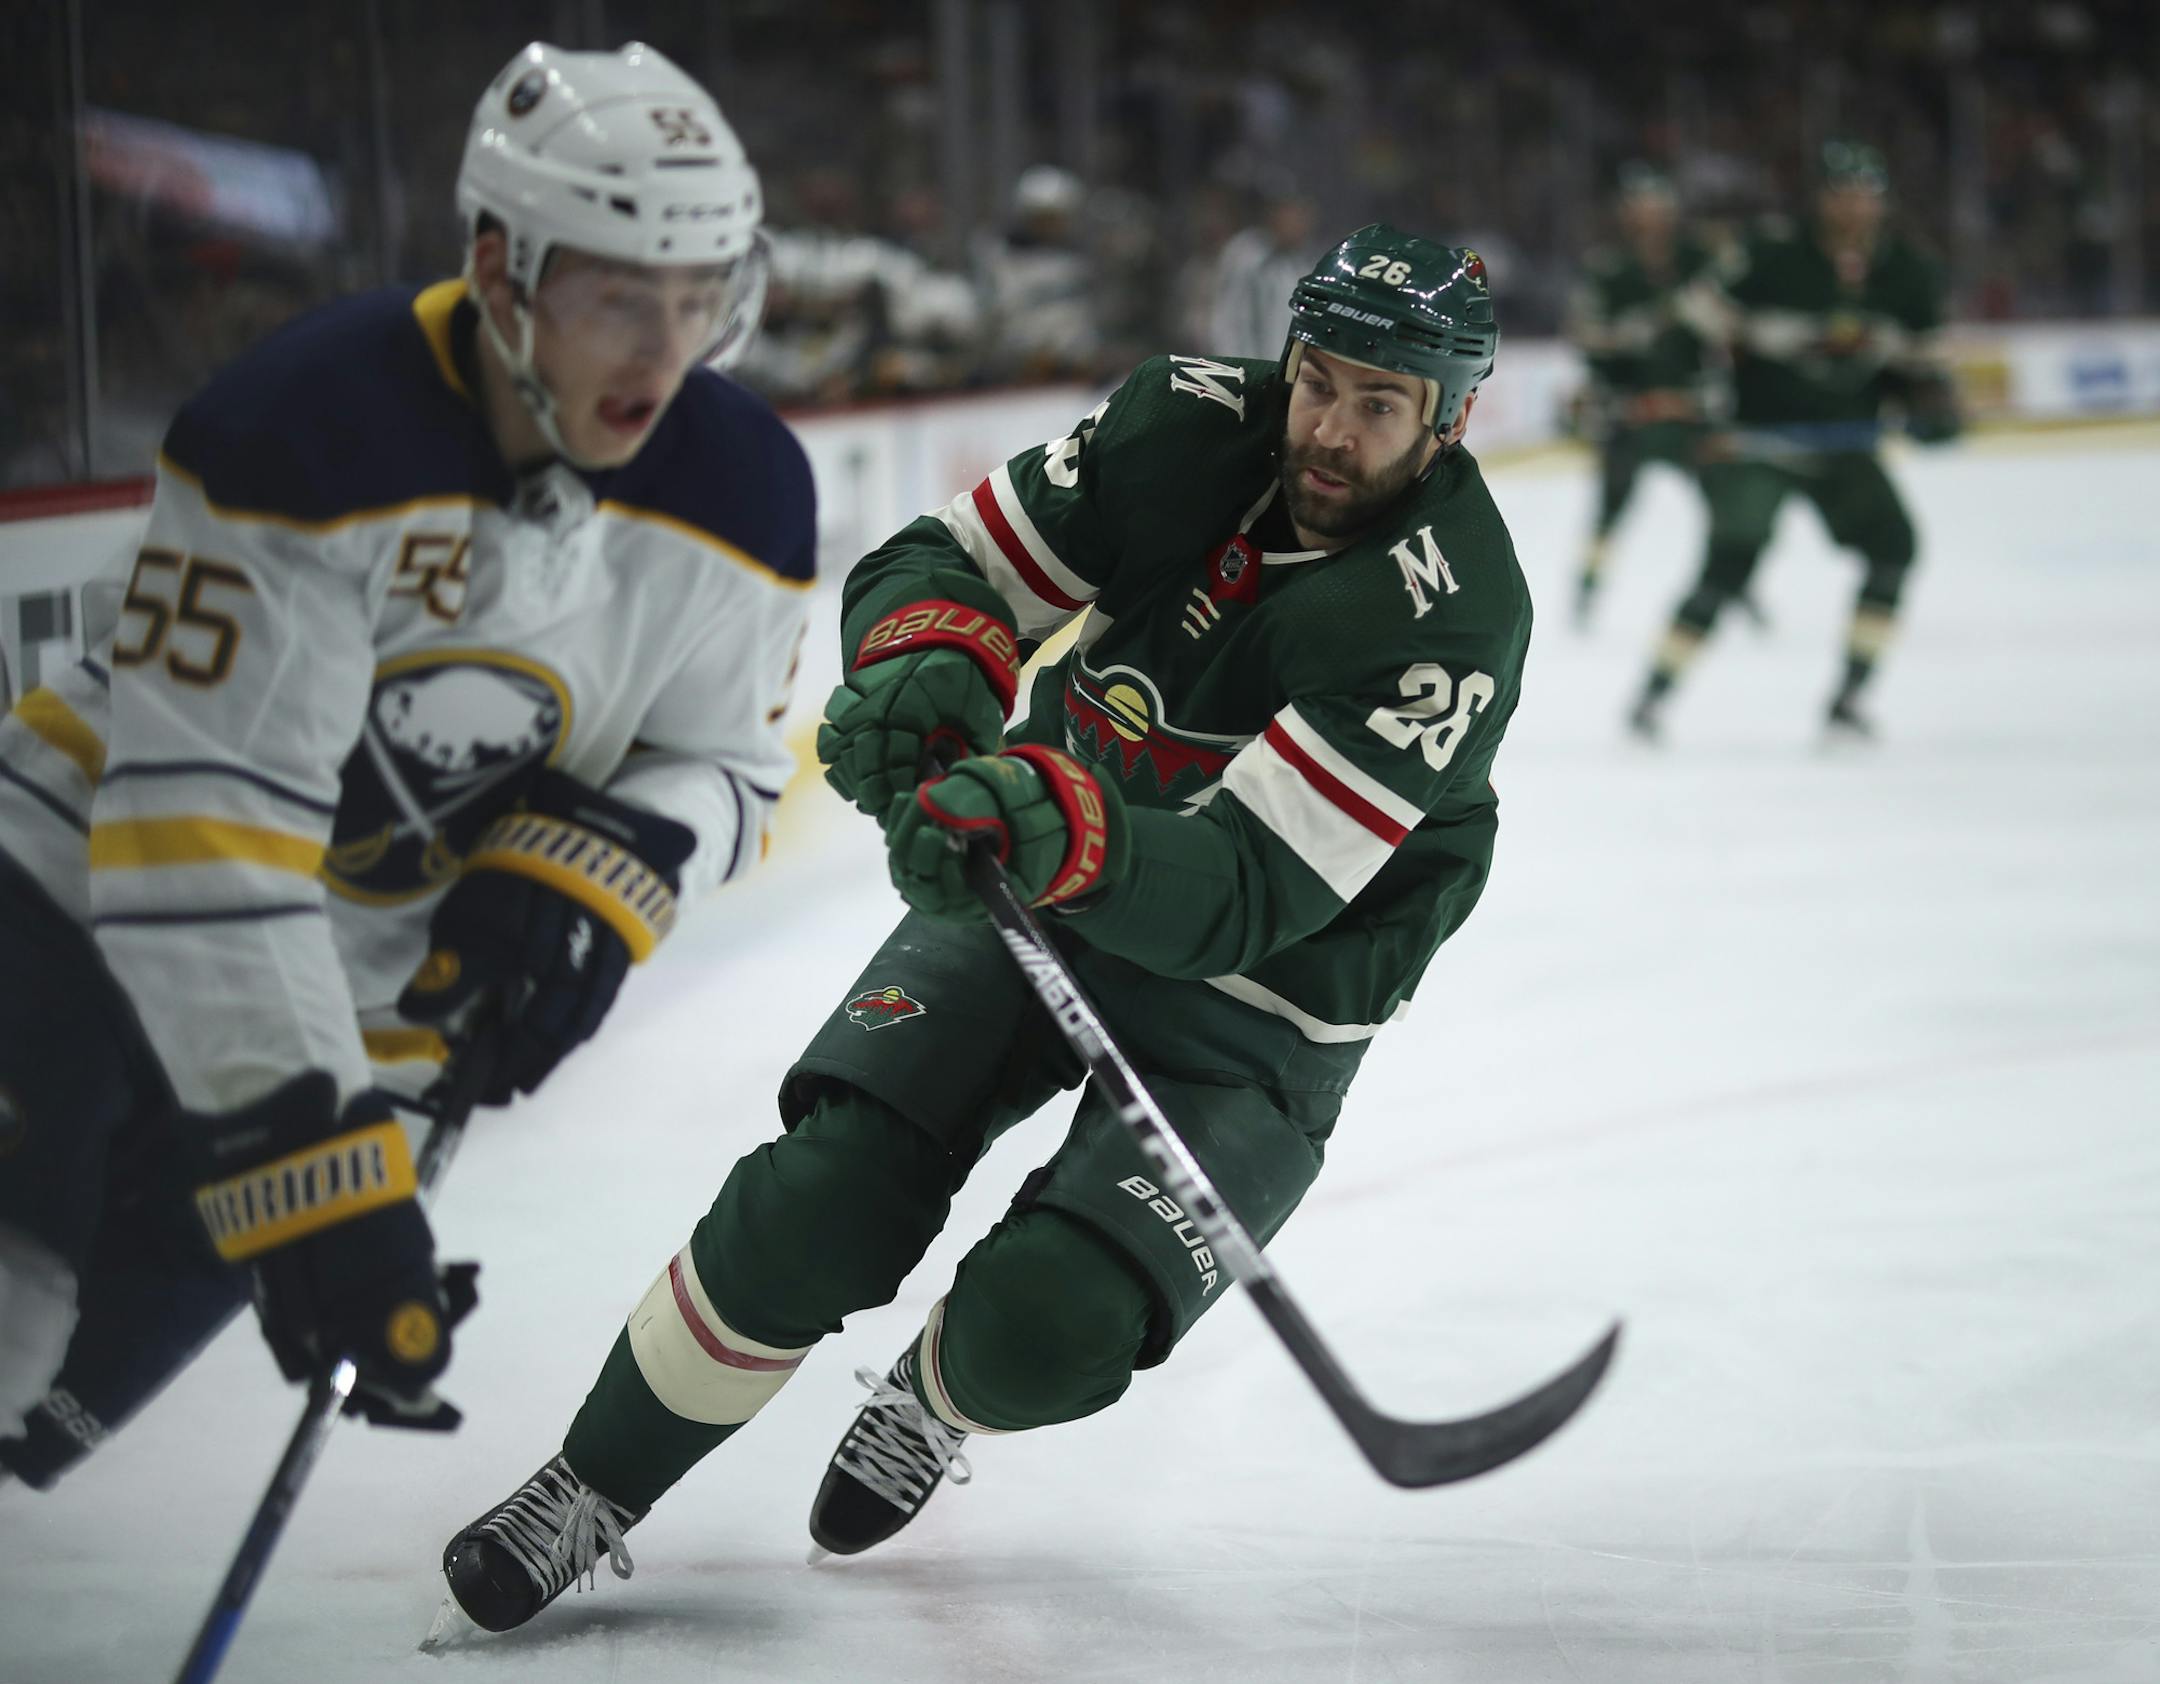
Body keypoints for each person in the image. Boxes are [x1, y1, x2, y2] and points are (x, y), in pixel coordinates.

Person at [436, 224, 1528, 1633]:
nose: (1329, 428)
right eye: (1319, 380)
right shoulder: (1187, 423)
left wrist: (1062, 826)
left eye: (1380, 405)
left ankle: (937, 1395)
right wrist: (931, 664)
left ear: (1450, 420)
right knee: (817, 1203)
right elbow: (944, 563)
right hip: (1052, 879)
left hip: (1269, 996)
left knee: (1050, 1325)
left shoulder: (1453, 609)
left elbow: (1252, 886)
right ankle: (592, 1480)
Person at [0, 41, 814, 1488]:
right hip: (66, 913)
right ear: (502, 273)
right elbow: (202, 835)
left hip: (331, 1019)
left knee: (43, 1430)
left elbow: (727, 764)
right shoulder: (308, 427)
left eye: (703, 298)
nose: (666, 351)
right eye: (620, 298)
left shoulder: (745, 487)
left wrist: (593, 871)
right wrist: (322, 1175)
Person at [1627, 142, 1959, 741]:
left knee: (1894, 547)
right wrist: (1692, 411)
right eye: (1842, 193)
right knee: (1730, 563)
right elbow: (1687, 330)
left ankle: (1850, 698)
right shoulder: (1767, 255)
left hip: (1845, 448)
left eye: (1866, 194)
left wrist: (1934, 408)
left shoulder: (1908, 272)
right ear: (1821, 198)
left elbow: (1922, 370)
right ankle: (1652, 696)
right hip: (1758, 444)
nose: (1855, 207)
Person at [1563, 164, 1727, 628]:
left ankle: (1733, 583)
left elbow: (1727, 330)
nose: (1648, 215)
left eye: (1656, 205)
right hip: (1629, 413)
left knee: (1727, 503)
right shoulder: (1607, 268)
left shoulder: (1699, 261)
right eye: (1640, 206)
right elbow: (1586, 335)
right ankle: (1587, 591)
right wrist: (1630, 335)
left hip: (1690, 411)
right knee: (1610, 511)